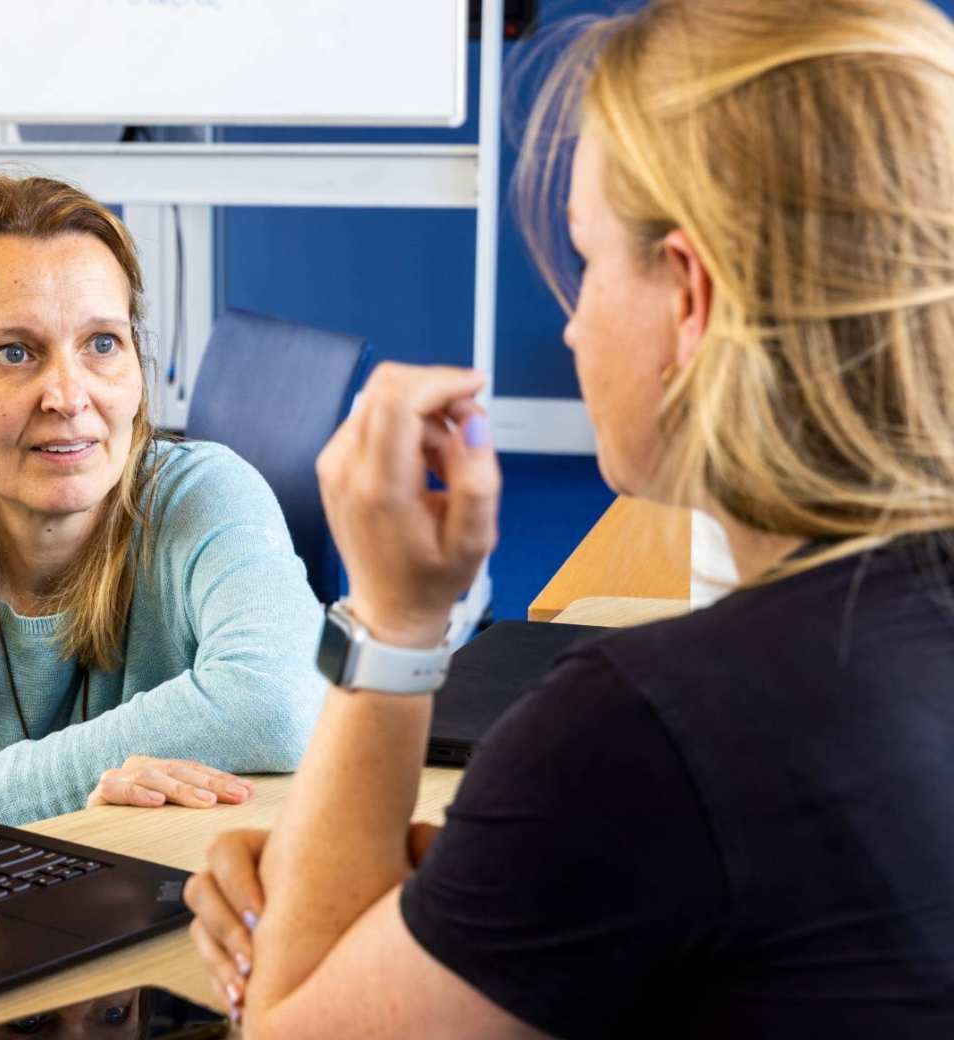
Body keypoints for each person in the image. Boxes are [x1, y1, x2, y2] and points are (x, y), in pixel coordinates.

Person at [184, 0, 954, 1036]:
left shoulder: (643, 731)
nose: (570, 319)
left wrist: (392, 618)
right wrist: (474, 877)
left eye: (588, 261)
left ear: (687, 294)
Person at [0, 174, 326, 828]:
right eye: (14, 353)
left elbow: (277, 701)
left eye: (102, 344)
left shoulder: (201, 493)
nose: (69, 397)